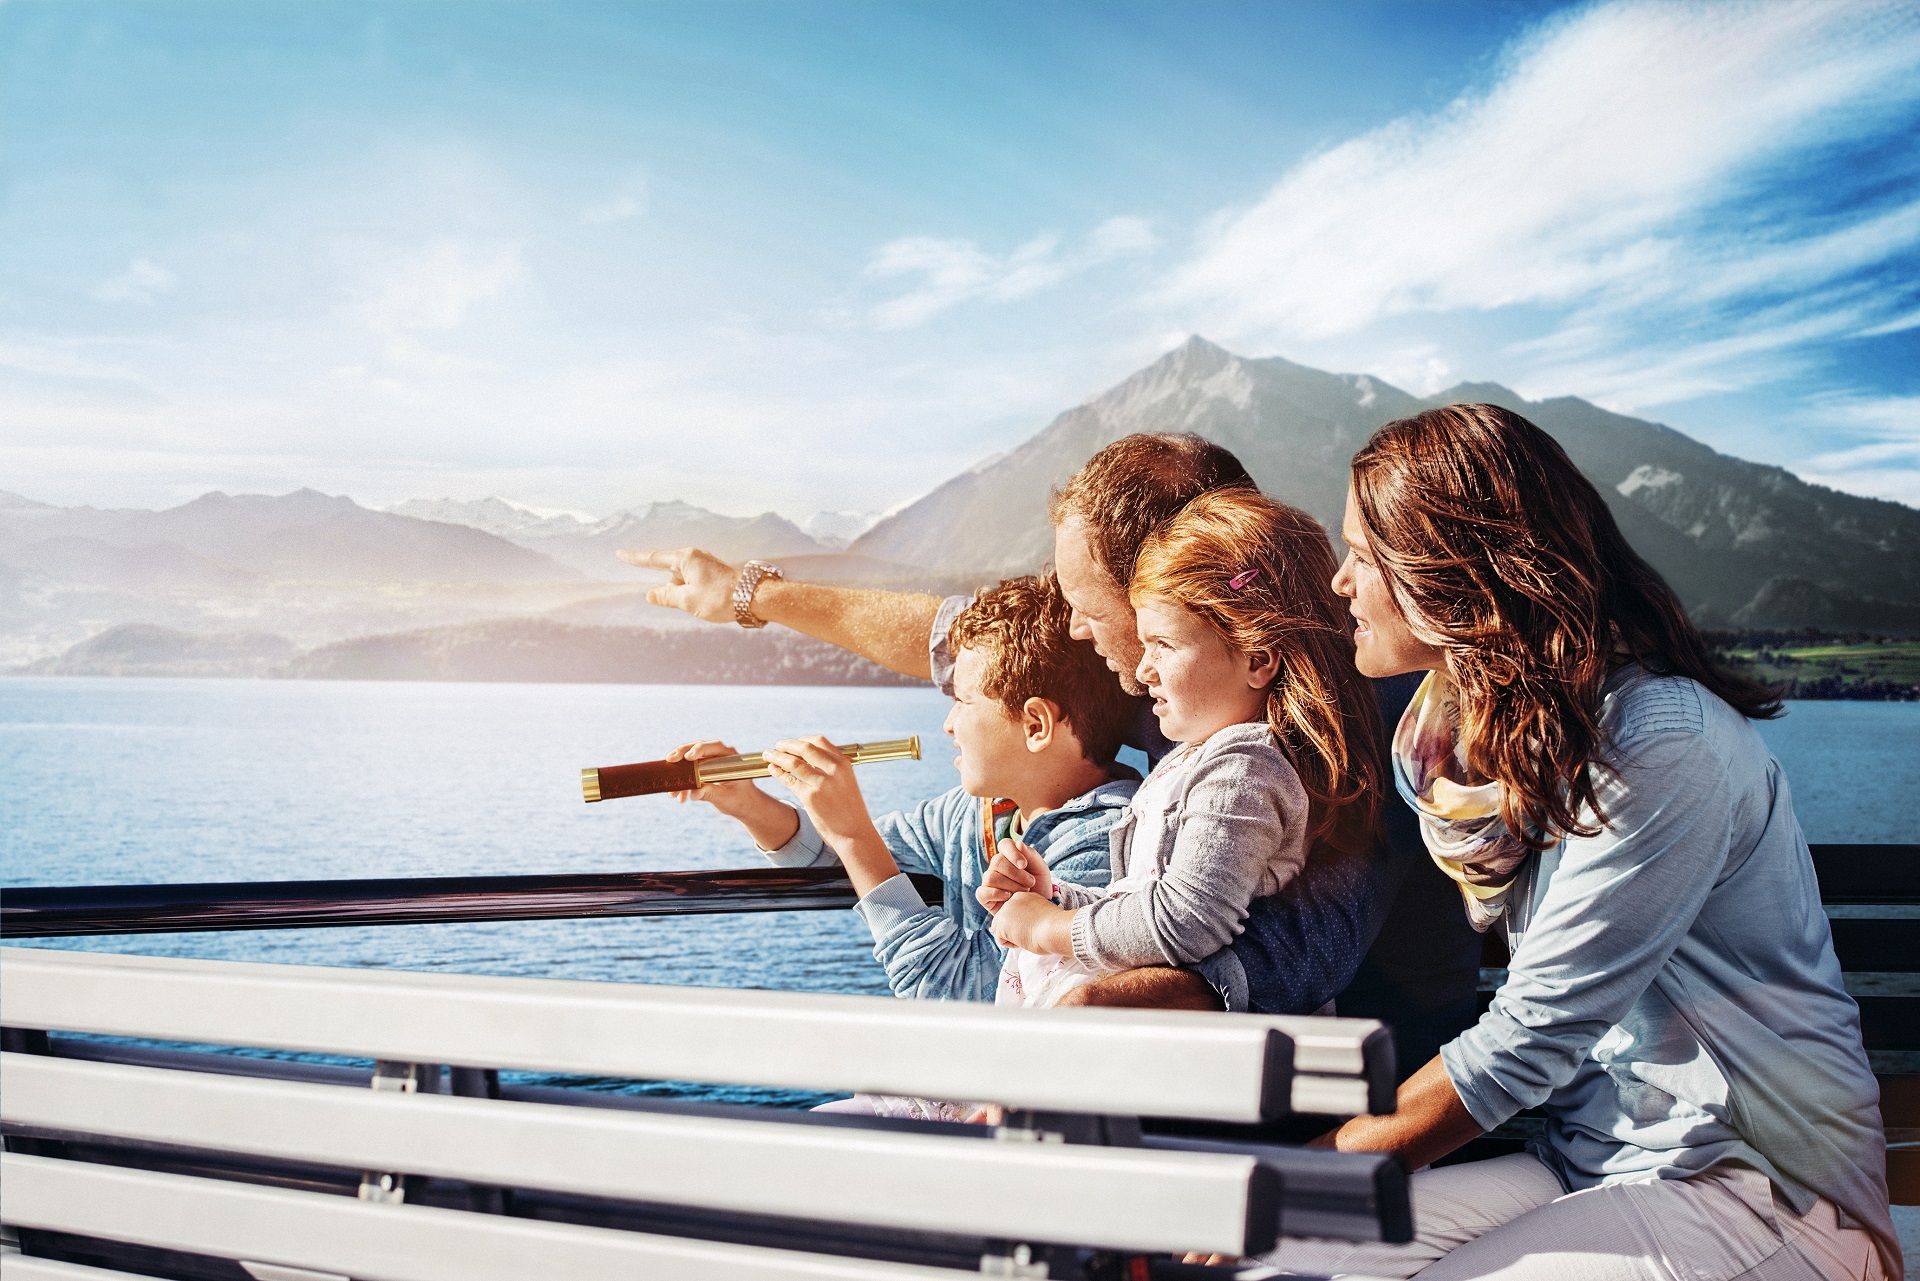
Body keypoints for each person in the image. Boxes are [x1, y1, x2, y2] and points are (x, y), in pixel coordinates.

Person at [623, 432, 1484, 1075]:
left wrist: (1066, 990)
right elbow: (953, 639)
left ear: (1179, 576)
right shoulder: (1177, 685)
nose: (1073, 626)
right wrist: (749, 594)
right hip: (1221, 1088)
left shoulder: (1350, 723)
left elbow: (1297, 956)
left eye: (1086, 601)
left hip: (1360, 1103)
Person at [1268, 403, 1897, 1279]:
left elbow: (1533, 1034)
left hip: (1752, 1187)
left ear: (1453, 571)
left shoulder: (1660, 741)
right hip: (1587, 1164)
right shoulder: (1468, 750)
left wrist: (1311, 1167)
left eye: (1365, 556)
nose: (1341, 583)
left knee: (1296, 1212)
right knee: (1274, 1259)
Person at [980, 489, 1385, 1018]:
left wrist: (1049, 927)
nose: (1145, 670)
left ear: (1257, 659)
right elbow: (1144, 902)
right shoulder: (1194, 759)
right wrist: (1055, 895)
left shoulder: (1244, 769)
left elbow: (1185, 922)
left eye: (1163, 646)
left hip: (1216, 1073)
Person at [668, 573, 1138, 1005]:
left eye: (963, 701)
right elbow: (848, 864)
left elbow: (965, 996)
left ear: (1036, 725)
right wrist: (748, 803)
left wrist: (853, 832)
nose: (948, 725)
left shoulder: (1101, 846)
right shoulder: (977, 810)